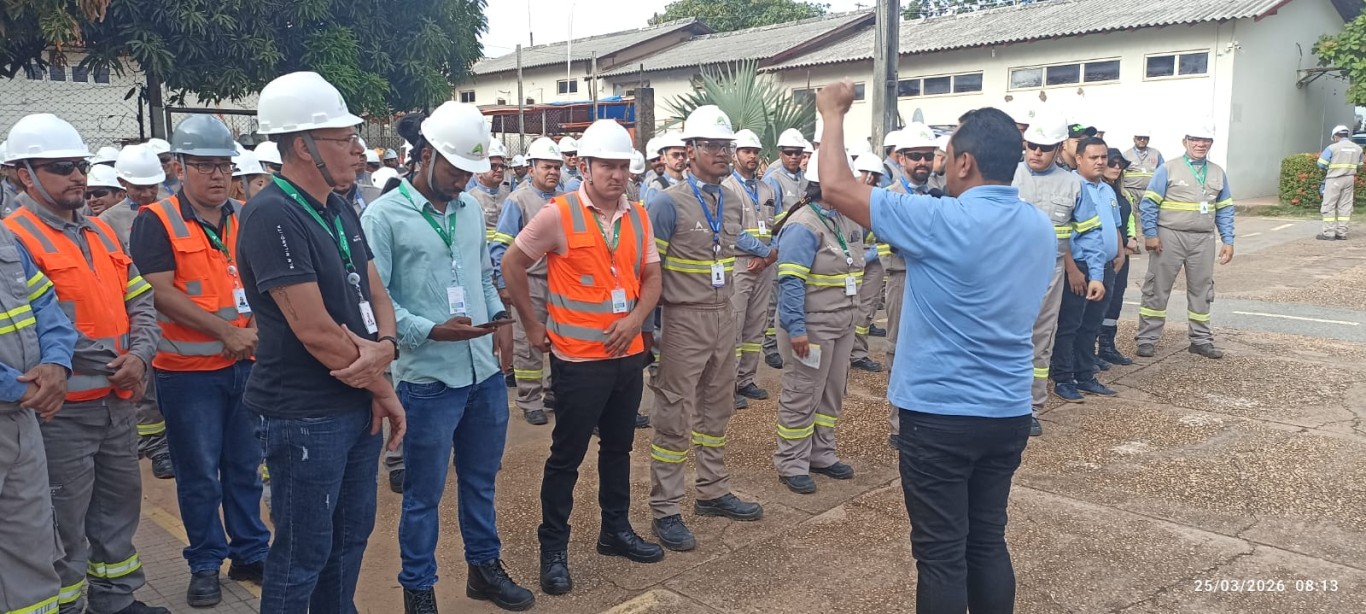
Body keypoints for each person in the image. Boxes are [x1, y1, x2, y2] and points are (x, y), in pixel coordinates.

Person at [814, 81, 1055, 614]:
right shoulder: (1039, 228)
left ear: (965, 163)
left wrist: (831, 114)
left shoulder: (940, 220)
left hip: (939, 416)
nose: (941, 166)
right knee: (987, 541)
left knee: (941, 555)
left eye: (945, 157)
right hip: (1008, 411)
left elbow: (833, 186)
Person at [236, 71, 406, 613]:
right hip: (303, 413)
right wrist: (383, 383)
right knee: (301, 553)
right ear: (302, 146)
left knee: (349, 539)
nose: (358, 150)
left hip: (352, 401)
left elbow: (375, 287)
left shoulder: (338, 207)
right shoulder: (272, 215)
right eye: (342, 138)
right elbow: (311, 329)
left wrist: (387, 343)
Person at [361, 101, 532, 613]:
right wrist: (430, 330)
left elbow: (482, 276)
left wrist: (500, 318)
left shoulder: (469, 212)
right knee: (422, 496)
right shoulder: (383, 217)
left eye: (470, 172)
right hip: (427, 380)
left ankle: (484, 568)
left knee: (480, 481)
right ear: (427, 155)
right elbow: (378, 297)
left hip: (481, 374)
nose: (463, 181)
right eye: (456, 169)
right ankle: (418, 588)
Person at [5, 113, 167, 614]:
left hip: (117, 402)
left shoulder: (99, 233)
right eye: (61, 167)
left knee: (118, 513)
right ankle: (68, 606)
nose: (77, 176)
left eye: (79, 165)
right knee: (62, 523)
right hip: (63, 413)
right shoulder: (16, 237)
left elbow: (140, 298)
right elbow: (46, 326)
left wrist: (140, 355)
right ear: (23, 174)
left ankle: (116, 600)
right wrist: (118, 360)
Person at [501, 119, 666, 596]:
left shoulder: (638, 216)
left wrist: (635, 320)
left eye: (622, 167)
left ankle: (614, 530)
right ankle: (553, 548)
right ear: (586, 167)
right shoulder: (559, 213)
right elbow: (513, 263)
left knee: (619, 449)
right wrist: (532, 325)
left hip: (626, 356)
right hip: (577, 361)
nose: (617, 175)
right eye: (607, 166)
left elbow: (652, 277)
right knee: (566, 456)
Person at [127, 114, 270, 608]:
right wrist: (227, 332)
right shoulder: (156, 220)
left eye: (224, 166)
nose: (216, 176)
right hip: (187, 374)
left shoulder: (245, 214)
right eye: (204, 166)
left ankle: (251, 551)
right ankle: (206, 562)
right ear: (180, 168)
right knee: (197, 473)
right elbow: (159, 293)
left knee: (245, 466)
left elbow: (259, 281)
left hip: (244, 365)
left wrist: (250, 333)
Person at [646, 105, 764, 553]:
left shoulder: (732, 200)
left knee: (716, 410)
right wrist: (648, 334)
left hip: (723, 316)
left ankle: (713, 490)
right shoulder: (666, 202)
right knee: (673, 414)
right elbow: (649, 271)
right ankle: (667, 508)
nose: (721, 152)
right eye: (712, 145)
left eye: (725, 145)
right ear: (689, 150)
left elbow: (733, 245)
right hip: (682, 319)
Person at [0, 138, 77, 614]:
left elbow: (46, 306)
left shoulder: (5, 241)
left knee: (31, 545)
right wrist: (23, 385)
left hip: (22, 419)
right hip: (21, 400)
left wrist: (56, 365)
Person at [772, 150, 864, 494]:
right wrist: (796, 329)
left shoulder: (842, 217)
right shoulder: (803, 225)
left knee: (831, 393)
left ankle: (821, 453)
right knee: (802, 393)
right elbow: (791, 282)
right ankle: (792, 461)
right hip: (811, 328)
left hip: (841, 323)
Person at [1011, 113, 1105, 434]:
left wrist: (1096, 274)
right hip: (1006, 271)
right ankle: (998, 405)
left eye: (1044, 147)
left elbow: (1091, 232)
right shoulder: (1008, 177)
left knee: (1040, 340)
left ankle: (1030, 409)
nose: (1036, 152)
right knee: (1003, 338)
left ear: (1058, 147)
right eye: (1032, 146)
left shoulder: (1072, 184)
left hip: (1049, 274)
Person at [1136, 122, 1235, 359]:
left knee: (1202, 290)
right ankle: (1147, 339)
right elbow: (1148, 204)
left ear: (1211, 143)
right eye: (1195, 139)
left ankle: (1200, 340)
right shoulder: (1168, 169)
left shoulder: (1217, 172)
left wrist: (1228, 240)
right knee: (1157, 288)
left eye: (1206, 141)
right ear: (1185, 141)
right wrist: (1150, 234)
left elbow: (1225, 208)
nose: (1200, 144)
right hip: (1169, 237)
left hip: (1203, 240)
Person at [106, 144, 175, 478]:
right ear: (123, 183)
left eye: (152, 186)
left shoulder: (174, 212)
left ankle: (170, 441)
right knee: (145, 383)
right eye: (139, 187)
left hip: (173, 309)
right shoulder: (109, 222)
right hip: (136, 311)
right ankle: (154, 444)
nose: (147, 193)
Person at [490, 137, 563, 425]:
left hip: (561, 283)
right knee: (528, 341)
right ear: (531, 168)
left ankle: (553, 391)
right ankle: (529, 398)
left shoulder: (565, 198)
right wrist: (503, 281)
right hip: (531, 281)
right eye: (547, 166)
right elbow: (501, 246)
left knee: (559, 340)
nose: (553, 172)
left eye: (557, 167)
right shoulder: (517, 200)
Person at [881, 123, 943, 443]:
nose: (922, 162)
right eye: (916, 156)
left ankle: (925, 416)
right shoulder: (890, 197)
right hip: (902, 278)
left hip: (934, 279)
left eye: (928, 156)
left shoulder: (939, 196)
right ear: (901, 158)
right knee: (897, 348)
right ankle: (898, 423)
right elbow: (896, 240)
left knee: (931, 348)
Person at [1050, 137, 1123, 401]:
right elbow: (1062, 232)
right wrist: (1072, 269)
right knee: (1070, 325)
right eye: (1094, 157)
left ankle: (1085, 374)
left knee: (1091, 324)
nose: (1101, 162)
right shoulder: (1071, 186)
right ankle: (1063, 378)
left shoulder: (1107, 189)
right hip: (1078, 266)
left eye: (1103, 157)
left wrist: (1120, 250)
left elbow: (1113, 225)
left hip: (1103, 267)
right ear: (1078, 158)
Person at [724, 129, 780, 410]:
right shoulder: (726, 189)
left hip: (764, 266)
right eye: (747, 151)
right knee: (733, 325)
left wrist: (770, 256)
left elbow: (779, 225)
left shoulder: (768, 189)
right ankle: (727, 386)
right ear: (735, 154)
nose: (752, 157)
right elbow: (732, 231)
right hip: (740, 265)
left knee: (756, 324)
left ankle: (746, 378)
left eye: (755, 152)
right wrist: (765, 252)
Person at [1097, 149, 1140, 368]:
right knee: (1097, 302)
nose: (1116, 167)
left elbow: (1129, 218)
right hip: (1105, 255)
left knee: (1115, 300)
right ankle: (1088, 350)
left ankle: (1107, 346)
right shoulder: (1097, 190)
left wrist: (1131, 237)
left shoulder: (1123, 193)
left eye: (1119, 164)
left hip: (1122, 256)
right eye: (1111, 163)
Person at [848, 152, 886, 374]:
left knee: (866, 309)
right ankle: (845, 352)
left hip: (874, 260)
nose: (869, 178)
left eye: (874, 175)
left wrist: (875, 253)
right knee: (848, 306)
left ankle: (858, 354)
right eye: (865, 173)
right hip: (852, 259)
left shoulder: (880, 198)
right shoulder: (846, 198)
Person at [1317, 124, 1361, 240]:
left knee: (1328, 206)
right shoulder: (1358, 148)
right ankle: (1342, 233)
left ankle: (1328, 233)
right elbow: (1360, 165)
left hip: (1334, 179)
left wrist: (1330, 169)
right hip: (1349, 179)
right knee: (1345, 206)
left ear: (1336, 136)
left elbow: (1321, 163)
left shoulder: (1332, 148)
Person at [1121, 130, 1164, 206]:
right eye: (1139, 138)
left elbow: (1163, 172)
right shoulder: (1126, 154)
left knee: (1148, 214)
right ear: (1134, 139)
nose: (1142, 140)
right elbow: (1119, 173)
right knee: (1132, 214)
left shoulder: (1156, 153)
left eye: (1145, 138)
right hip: (1131, 191)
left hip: (1150, 191)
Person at [642, 134, 686, 204]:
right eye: (675, 155)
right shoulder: (656, 189)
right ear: (663, 159)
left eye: (683, 154)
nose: (681, 158)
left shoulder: (688, 185)